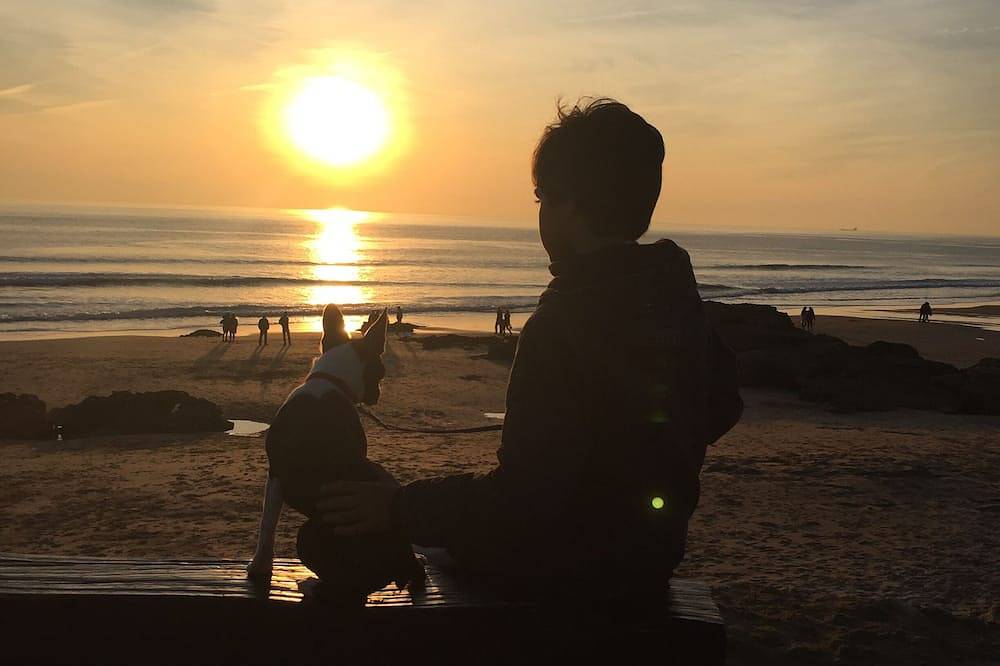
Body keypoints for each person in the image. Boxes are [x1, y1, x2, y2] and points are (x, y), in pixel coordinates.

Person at [317, 98, 742, 599]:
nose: (539, 214)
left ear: (570, 206)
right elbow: (723, 406)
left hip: (566, 567)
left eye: (540, 198)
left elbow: (523, 500)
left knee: (380, 557)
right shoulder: (675, 296)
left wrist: (399, 506)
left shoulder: (563, 323)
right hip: (652, 553)